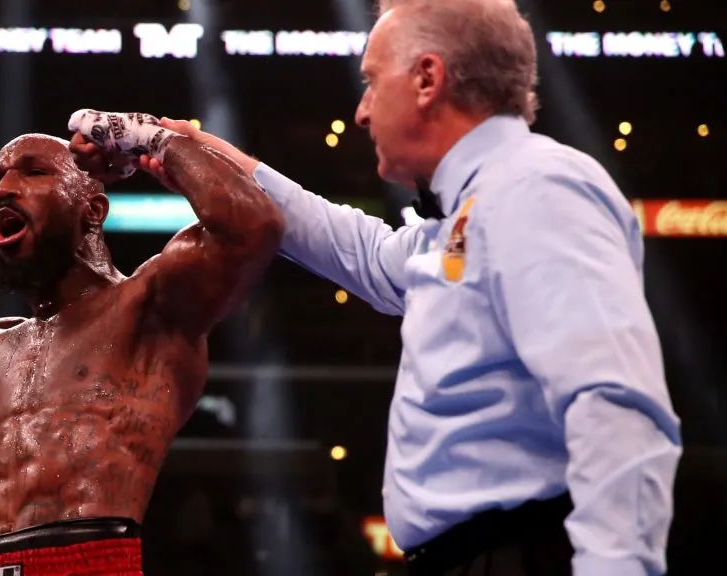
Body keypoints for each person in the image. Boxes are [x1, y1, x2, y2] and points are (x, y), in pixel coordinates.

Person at [140, 1, 682, 574]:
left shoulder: (538, 188)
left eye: (372, 82)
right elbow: (363, 252)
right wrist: (207, 160)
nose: (361, 112)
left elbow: (613, 401)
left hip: (520, 552)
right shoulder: (471, 209)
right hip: (472, 556)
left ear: (427, 79)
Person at [0, 111, 284, 576]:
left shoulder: (151, 306)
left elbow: (253, 225)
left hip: (87, 556)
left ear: (93, 209)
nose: (4, 190)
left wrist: (148, 138)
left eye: (34, 172)